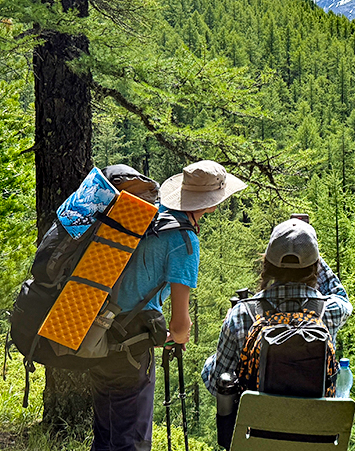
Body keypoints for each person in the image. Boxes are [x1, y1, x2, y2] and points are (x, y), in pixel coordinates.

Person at [90, 160, 246, 451]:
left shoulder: (146, 214)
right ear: (211, 204)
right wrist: (179, 337)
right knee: (130, 438)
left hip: (96, 330)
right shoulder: (184, 239)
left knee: (106, 429)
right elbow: (180, 325)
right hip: (131, 343)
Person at [201, 218, 351, 437]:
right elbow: (341, 295)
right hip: (315, 438)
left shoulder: (241, 314)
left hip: (255, 439)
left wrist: (211, 360)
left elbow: (216, 384)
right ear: (315, 266)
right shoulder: (330, 311)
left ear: (267, 264)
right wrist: (312, 254)